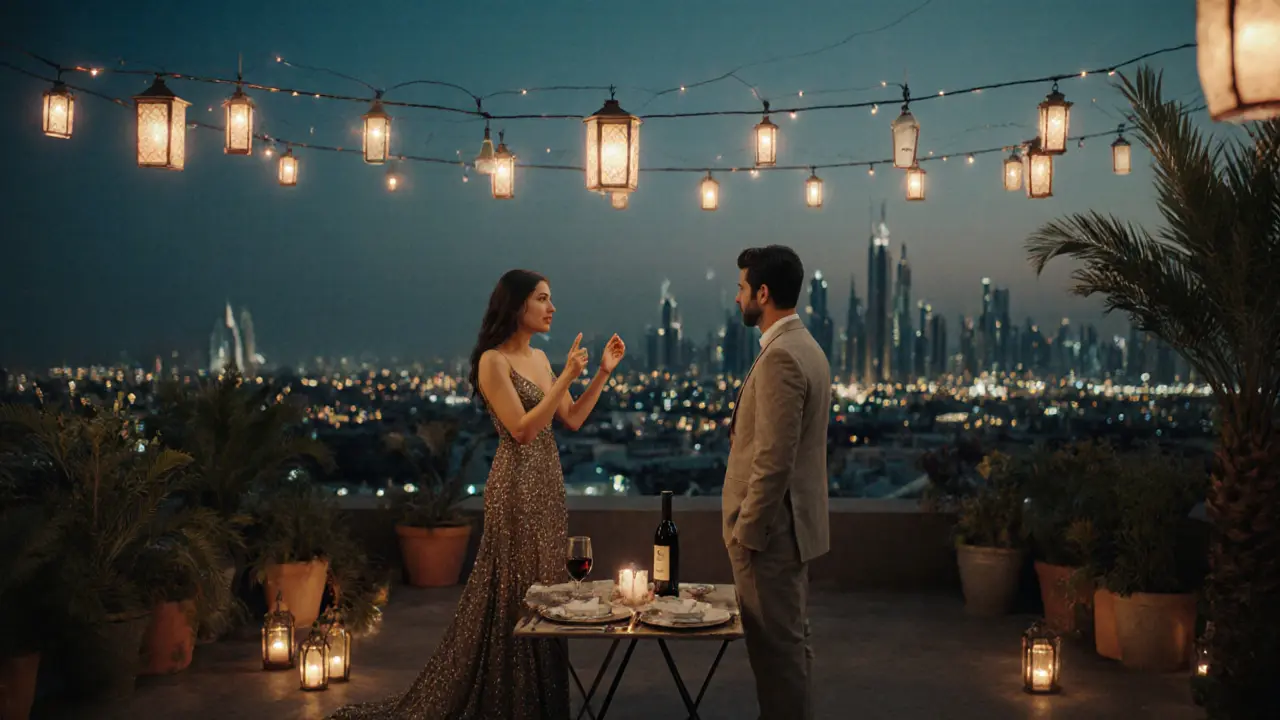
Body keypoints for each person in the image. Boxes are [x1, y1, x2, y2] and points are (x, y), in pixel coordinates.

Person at [331, 269, 625, 720]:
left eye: (551, 299)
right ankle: (509, 702)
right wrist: (566, 377)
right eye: (542, 298)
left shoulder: (541, 359)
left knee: (549, 590)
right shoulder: (493, 362)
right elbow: (522, 431)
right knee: (514, 591)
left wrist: (601, 374)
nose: (552, 308)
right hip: (515, 486)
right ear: (517, 305)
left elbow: (572, 419)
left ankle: (542, 704)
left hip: (549, 484)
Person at [721, 245, 831, 720]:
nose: (737, 297)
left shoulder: (782, 356)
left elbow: (774, 461)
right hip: (791, 528)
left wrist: (746, 533)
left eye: (742, 288)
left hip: (771, 535)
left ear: (762, 293)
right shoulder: (806, 347)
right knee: (790, 648)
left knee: (776, 658)